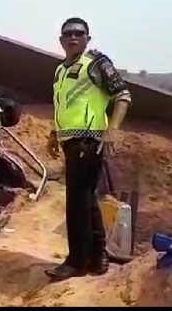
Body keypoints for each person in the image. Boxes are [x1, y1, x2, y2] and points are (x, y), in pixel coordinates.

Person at [45, 17, 131, 281]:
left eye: (79, 34)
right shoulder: (60, 70)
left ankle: (76, 261)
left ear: (87, 38)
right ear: (61, 41)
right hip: (70, 140)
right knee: (87, 199)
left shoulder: (96, 63)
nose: (73, 37)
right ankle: (97, 257)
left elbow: (123, 96)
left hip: (89, 140)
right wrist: (53, 134)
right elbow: (64, 106)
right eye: (68, 34)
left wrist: (112, 130)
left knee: (77, 202)